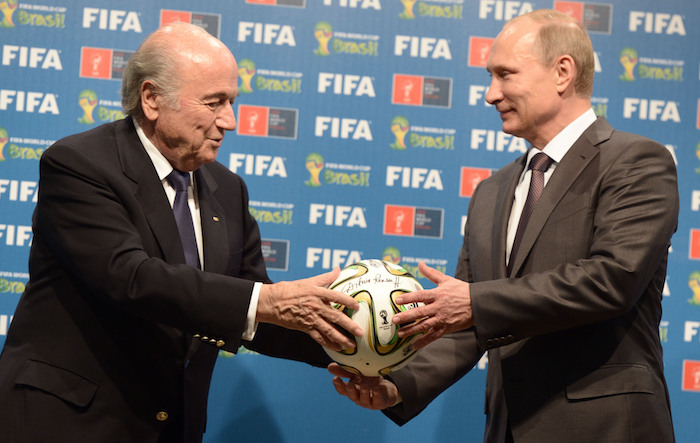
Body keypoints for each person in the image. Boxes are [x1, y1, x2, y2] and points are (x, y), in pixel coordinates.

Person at [0, 22, 362, 443]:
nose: (230, 120)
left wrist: (359, 351)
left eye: (232, 101)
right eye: (214, 103)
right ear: (152, 98)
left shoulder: (226, 189)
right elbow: (131, 278)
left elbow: (253, 314)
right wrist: (265, 300)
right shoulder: (79, 165)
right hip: (67, 423)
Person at [330, 9, 678, 443]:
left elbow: (612, 280)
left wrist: (476, 303)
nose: (490, 94)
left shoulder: (635, 161)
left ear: (562, 73)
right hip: (506, 429)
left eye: (505, 75)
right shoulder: (491, 192)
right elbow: (461, 324)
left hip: (604, 428)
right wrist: (397, 386)